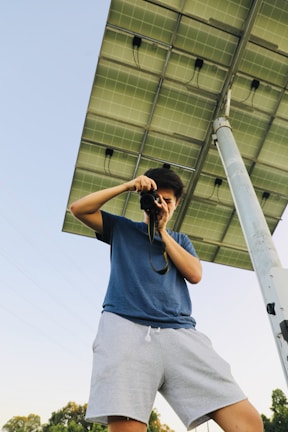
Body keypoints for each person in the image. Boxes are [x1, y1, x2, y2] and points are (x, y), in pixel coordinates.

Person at [70, 167, 263, 432]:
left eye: (167, 200)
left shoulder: (180, 240)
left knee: (248, 422)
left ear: (176, 204)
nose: (160, 204)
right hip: (124, 329)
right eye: (154, 198)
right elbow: (78, 209)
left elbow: (195, 274)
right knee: (127, 427)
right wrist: (127, 185)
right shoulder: (122, 229)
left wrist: (162, 231)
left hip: (179, 332)